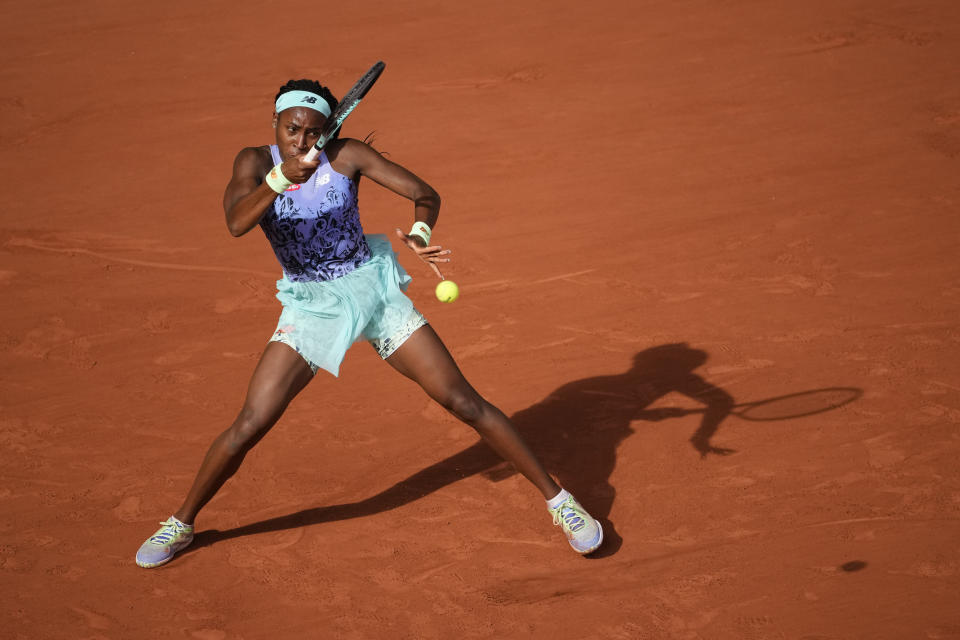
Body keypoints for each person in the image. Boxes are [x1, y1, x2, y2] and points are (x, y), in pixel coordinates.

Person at [135, 79, 602, 568]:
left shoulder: (348, 155)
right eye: (292, 129)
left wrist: (420, 233)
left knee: (462, 400)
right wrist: (281, 178)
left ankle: (560, 503)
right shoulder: (253, 162)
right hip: (311, 306)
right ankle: (182, 523)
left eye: (315, 132)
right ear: (274, 122)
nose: (303, 141)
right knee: (250, 424)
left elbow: (425, 193)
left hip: (371, 290)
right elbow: (236, 221)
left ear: (329, 128)